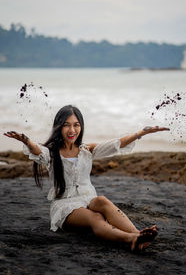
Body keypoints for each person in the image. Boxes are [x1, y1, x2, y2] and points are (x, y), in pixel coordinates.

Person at [4, 105, 170, 251]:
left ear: (81, 127)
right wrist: (26, 141)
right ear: (59, 127)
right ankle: (130, 239)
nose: (72, 130)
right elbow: (38, 151)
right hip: (65, 207)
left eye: (76, 125)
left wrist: (141, 133)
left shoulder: (86, 150)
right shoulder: (52, 152)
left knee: (102, 200)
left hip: (87, 199)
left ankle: (138, 235)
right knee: (96, 217)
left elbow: (115, 144)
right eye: (67, 125)